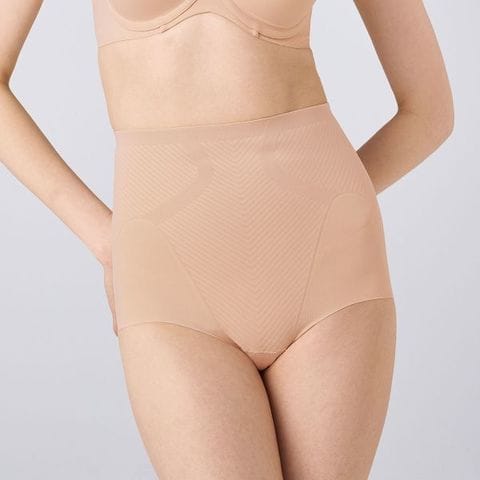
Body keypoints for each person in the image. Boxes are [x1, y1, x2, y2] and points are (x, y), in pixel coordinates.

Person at [0, 0, 453, 478]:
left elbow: (430, 111)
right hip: (167, 270)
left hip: (328, 261)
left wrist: (329, 206)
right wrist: (107, 241)